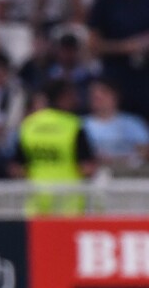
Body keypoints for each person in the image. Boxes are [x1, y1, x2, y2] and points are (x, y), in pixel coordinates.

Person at [11, 79, 97, 216]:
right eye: (73, 95)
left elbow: (16, 168)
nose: (76, 99)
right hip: (69, 202)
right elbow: (86, 168)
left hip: (37, 202)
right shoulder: (74, 126)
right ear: (64, 96)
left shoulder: (28, 125)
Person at [83, 77, 149, 170]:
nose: (98, 98)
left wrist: (121, 160)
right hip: (96, 176)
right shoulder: (81, 125)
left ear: (115, 96)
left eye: (103, 93)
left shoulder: (133, 123)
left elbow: (145, 150)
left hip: (131, 175)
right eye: (93, 95)